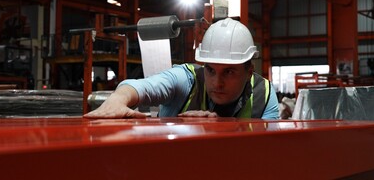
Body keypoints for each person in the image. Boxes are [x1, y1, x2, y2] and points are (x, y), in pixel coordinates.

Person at [84, 18, 279, 119]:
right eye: (210, 70)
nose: (217, 82)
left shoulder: (265, 94)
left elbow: (267, 151)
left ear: (249, 71)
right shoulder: (186, 79)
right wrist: (119, 99)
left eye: (229, 72)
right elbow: (141, 86)